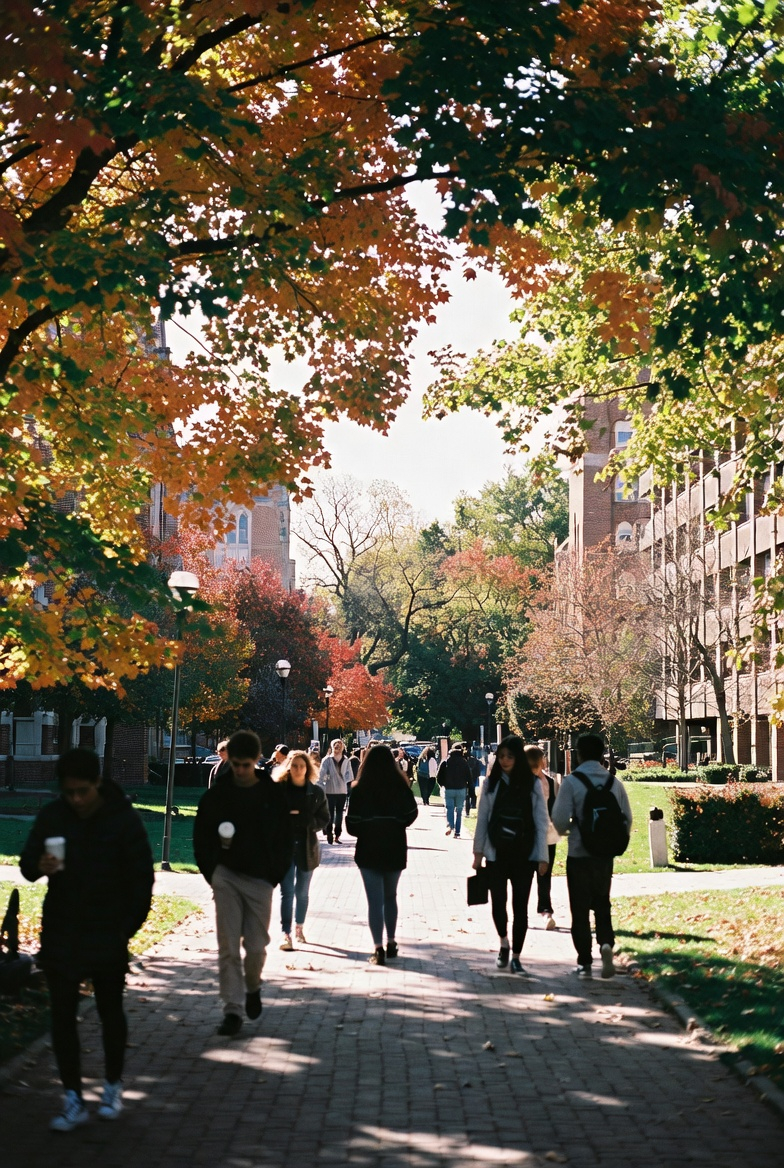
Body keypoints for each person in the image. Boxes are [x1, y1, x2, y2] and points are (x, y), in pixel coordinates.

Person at [19, 747, 154, 1132]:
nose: (76, 799)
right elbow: (28, 865)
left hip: (107, 931)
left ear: (97, 783)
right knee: (62, 1017)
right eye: (69, 792)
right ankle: (72, 1097)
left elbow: (141, 879)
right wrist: (37, 865)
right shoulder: (54, 815)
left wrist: (125, 928)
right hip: (62, 929)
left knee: (111, 1012)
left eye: (82, 791)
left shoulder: (122, 819)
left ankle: (112, 1085)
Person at [193, 730, 292, 1036]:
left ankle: (252, 986)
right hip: (226, 876)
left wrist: (274, 875)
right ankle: (232, 1010)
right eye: (235, 764)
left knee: (257, 945)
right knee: (228, 945)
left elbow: (284, 839)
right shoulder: (218, 794)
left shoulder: (272, 795)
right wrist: (212, 872)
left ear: (256, 762)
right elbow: (201, 836)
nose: (239, 770)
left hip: (261, 878)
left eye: (245, 765)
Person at [551, 732, 633, 979]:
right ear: (601, 754)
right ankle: (606, 944)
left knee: (579, 908)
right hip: (603, 857)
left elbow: (559, 819)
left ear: (579, 753)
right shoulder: (613, 782)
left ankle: (584, 961)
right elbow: (626, 818)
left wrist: (569, 830)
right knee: (602, 903)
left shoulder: (572, 782)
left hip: (578, 853)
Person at [472, 735, 549, 975]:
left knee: (521, 908)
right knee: (498, 904)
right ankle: (504, 942)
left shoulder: (532, 784)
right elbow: (482, 818)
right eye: (501, 756)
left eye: (510, 756)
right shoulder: (490, 784)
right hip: (496, 852)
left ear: (518, 758)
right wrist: (478, 852)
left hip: (523, 854)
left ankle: (516, 955)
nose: (505, 761)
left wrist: (542, 856)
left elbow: (540, 821)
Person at [345, 744, 418, 965]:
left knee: (374, 901)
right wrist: (395, 824)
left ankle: (377, 947)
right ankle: (392, 940)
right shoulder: (400, 787)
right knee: (390, 896)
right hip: (394, 845)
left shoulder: (359, 789)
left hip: (368, 848)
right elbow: (412, 813)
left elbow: (351, 824)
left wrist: (367, 828)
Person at [274, 750, 330, 950]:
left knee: (302, 892)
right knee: (286, 891)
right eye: (294, 765)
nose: (298, 769)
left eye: (302, 766)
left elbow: (324, 818)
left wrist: (308, 822)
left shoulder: (315, 793)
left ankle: (300, 927)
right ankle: (286, 933)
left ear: (308, 768)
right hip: (284, 846)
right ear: (288, 767)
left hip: (307, 846)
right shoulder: (278, 790)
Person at [524, 744, 559, 931]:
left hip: (547, 836)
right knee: (524, 877)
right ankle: (521, 912)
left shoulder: (551, 782)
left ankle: (546, 911)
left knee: (544, 875)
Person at [318, 738, 352, 844]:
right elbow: (321, 775)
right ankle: (329, 832)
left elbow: (349, 775)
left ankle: (337, 834)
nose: (337, 747)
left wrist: (343, 781)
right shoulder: (327, 760)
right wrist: (327, 780)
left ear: (343, 748)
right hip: (329, 790)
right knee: (330, 813)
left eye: (339, 745)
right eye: (335, 745)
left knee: (339, 814)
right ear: (332, 747)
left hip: (342, 791)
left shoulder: (346, 760)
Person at [437, 743, 471, 838]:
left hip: (449, 789)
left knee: (450, 809)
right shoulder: (464, 763)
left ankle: (450, 826)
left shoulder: (446, 762)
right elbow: (469, 777)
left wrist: (443, 784)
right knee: (459, 811)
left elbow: (439, 777)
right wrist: (470, 789)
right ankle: (457, 832)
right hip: (461, 789)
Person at [464, 744, 481, 817]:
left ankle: (467, 811)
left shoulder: (463, 761)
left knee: (467, 796)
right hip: (473, 779)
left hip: (464, 780)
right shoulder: (475, 761)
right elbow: (478, 770)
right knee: (473, 794)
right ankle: (473, 805)